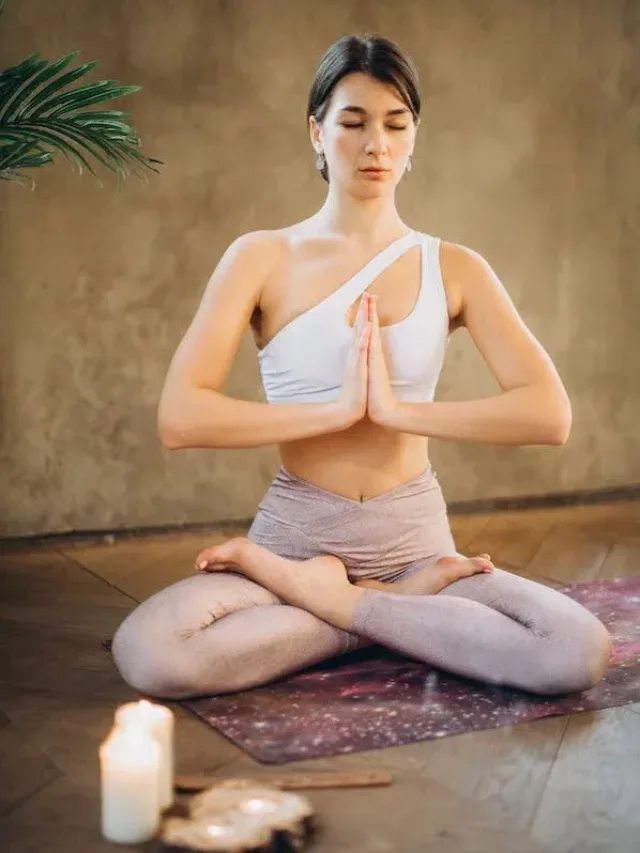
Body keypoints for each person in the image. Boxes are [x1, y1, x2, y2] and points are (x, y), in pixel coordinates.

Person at [111, 34, 612, 700]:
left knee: (576, 652)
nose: (375, 143)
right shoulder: (260, 257)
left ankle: (344, 607)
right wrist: (336, 410)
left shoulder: (454, 267)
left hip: (417, 543)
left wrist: (398, 411)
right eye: (352, 123)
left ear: (413, 140)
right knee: (150, 653)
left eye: (395, 125)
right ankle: (396, 610)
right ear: (317, 132)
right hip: (294, 536)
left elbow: (549, 414)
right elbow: (180, 416)